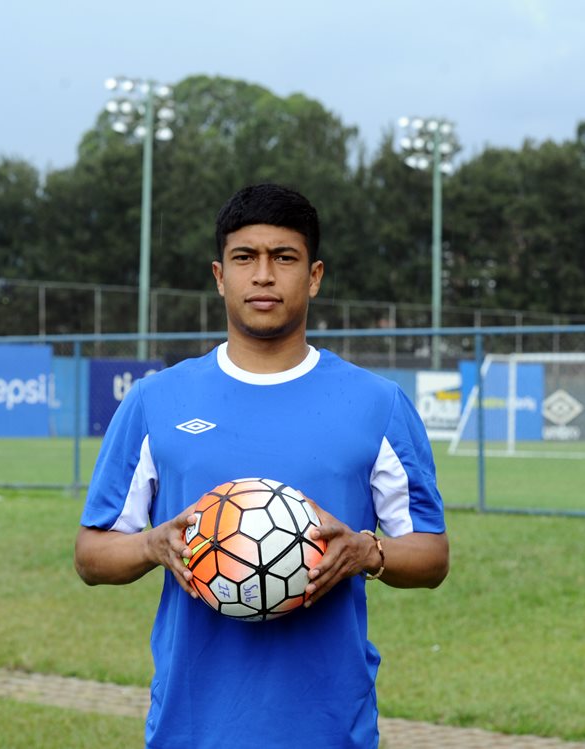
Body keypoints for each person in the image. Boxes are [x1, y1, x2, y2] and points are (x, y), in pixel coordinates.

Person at [74, 183, 449, 749]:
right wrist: (153, 545)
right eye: (245, 257)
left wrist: (366, 552)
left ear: (314, 276)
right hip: (191, 731)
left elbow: (432, 556)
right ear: (220, 276)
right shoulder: (156, 401)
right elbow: (91, 554)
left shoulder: (377, 405)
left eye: (284, 257)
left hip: (329, 733)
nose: (264, 275)